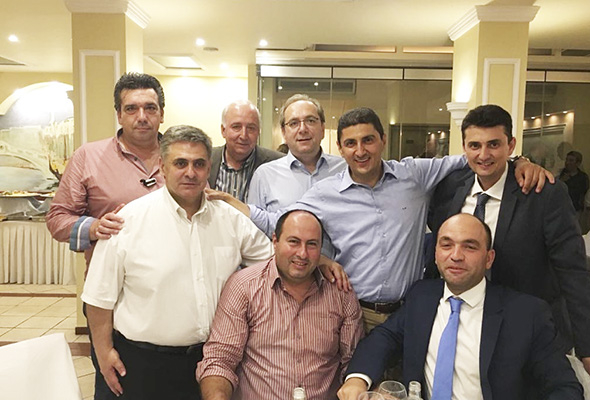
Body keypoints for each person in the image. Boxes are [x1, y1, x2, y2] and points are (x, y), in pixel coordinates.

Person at [212, 107, 548, 331]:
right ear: (340, 148)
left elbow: (474, 159)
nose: (360, 151)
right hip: (351, 312)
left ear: (383, 140)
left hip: (411, 310)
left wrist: (519, 161)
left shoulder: (415, 175)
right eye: (351, 143)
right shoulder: (324, 194)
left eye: (368, 140)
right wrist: (230, 202)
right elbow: (283, 224)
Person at [81, 125, 273, 400]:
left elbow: (273, 263)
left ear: (208, 168)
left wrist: (320, 262)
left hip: (209, 364)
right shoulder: (127, 221)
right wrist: (103, 351)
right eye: (180, 163)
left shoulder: (230, 220)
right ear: (163, 166)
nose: (190, 172)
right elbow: (99, 297)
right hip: (141, 364)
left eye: (199, 164)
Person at [427, 104, 590, 390]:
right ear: (464, 147)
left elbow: (573, 272)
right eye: (475, 145)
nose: (484, 155)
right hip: (464, 325)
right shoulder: (449, 188)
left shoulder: (544, 193)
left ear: (510, 145)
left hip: (526, 330)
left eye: (494, 144)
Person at [338, 214, 583, 400]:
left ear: (489, 258)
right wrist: (357, 379)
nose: (456, 255)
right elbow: (385, 336)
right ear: (436, 254)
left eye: (470, 246)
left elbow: (564, 388)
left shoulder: (526, 314)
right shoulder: (422, 296)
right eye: (446, 245)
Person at [197, 210, 363, 400]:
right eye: (293, 242)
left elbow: (354, 363)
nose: (302, 253)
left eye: (312, 244)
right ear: (275, 241)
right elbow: (220, 360)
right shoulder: (244, 287)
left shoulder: (340, 292)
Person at [46, 72, 166, 267]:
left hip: (174, 279)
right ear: (119, 115)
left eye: (150, 108)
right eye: (131, 109)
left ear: (161, 114)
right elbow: (57, 218)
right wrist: (94, 227)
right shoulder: (87, 157)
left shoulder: (184, 159)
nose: (142, 117)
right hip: (111, 279)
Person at [247, 94, 346, 212]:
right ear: (284, 133)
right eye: (294, 123)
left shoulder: (345, 170)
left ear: (322, 129)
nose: (303, 129)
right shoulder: (264, 176)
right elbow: (253, 223)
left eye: (310, 121)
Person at [208, 100, 283, 201]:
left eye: (251, 128)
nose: (244, 135)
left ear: (259, 132)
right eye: (236, 127)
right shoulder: (204, 159)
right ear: (223, 130)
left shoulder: (278, 164)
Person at [559, 150, 589, 214]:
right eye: (566, 160)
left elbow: (584, 193)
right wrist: (561, 181)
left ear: (578, 163)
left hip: (575, 209)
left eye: (571, 160)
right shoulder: (562, 173)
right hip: (560, 207)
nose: (567, 162)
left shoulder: (583, 177)